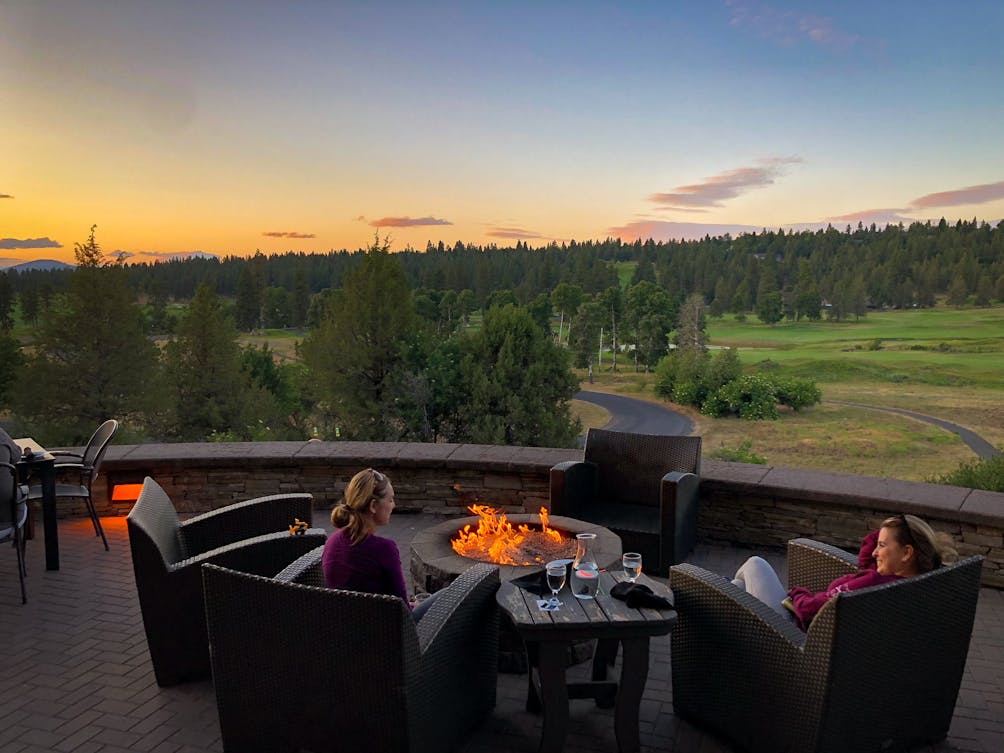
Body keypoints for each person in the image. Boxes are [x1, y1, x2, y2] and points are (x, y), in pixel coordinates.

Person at [731, 514, 958, 631]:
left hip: (793, 633)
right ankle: (726, 591)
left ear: (907, 553)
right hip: (830, 645)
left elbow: (809, 608)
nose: (876, 552)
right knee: (738, 588)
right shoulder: (909, 584)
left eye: (883, 545)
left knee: (755, 564)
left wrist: (797, 593)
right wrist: (892, 531)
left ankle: (721, 591)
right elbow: (869, 560)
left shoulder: (869, 585)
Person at [321, 467, 436, 620]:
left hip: (343, 630)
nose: (393, 505)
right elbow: (403, 611)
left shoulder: (332, 542)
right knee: (446, 595)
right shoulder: (384, 549)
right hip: (387, 634)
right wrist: (414, 605)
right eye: (390, 500)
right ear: (373, 506)